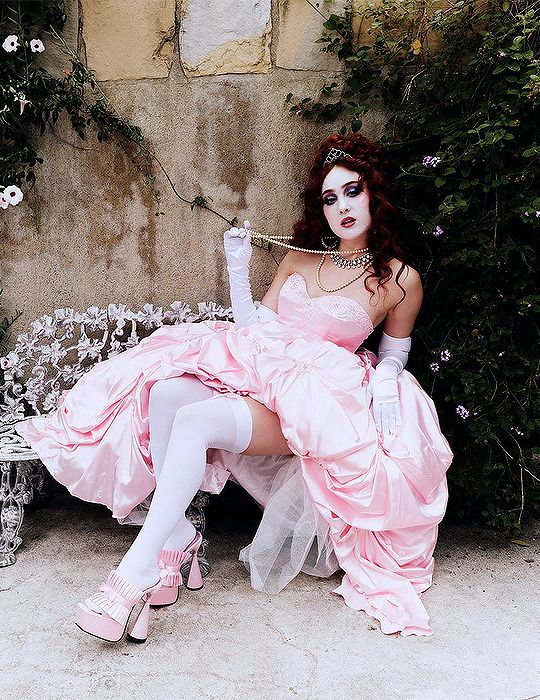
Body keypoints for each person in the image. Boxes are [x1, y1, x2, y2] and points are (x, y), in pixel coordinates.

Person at [15, 132, 453, 641]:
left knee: (197, 420)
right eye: (330, 199)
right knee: (167, 392)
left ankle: (134, 573)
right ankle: (177, 539)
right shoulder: (301, 258)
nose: (342, 208)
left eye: (353, 191)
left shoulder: (401, 279)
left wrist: (384, 379)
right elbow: (255, 327)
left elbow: (396, 352)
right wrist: (238, 269)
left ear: (375, 193)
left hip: (315, 401)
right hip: (260, 370)